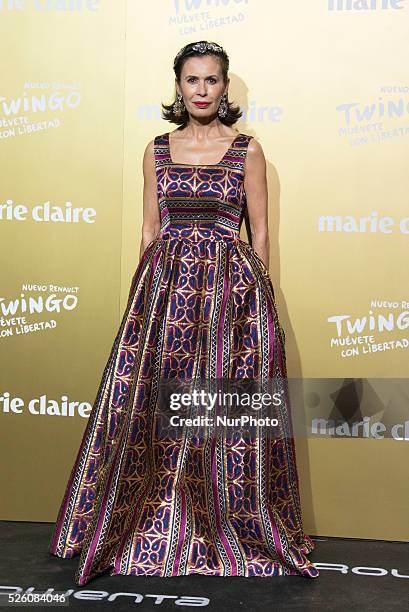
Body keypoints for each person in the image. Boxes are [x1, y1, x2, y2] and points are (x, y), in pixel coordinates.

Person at [49, 40, 318, 585]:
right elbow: (150, 230)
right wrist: (142, 302)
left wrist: (258, 301)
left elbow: (259, 233)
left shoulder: (248, 152)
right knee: (153, 409)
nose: (201, 90)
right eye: (192, 80)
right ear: (179, 87)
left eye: (212, 80)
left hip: (232, 296)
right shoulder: (156, 149)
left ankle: (228, 520)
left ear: (225, 88)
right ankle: (150, 518)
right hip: (166, 292)